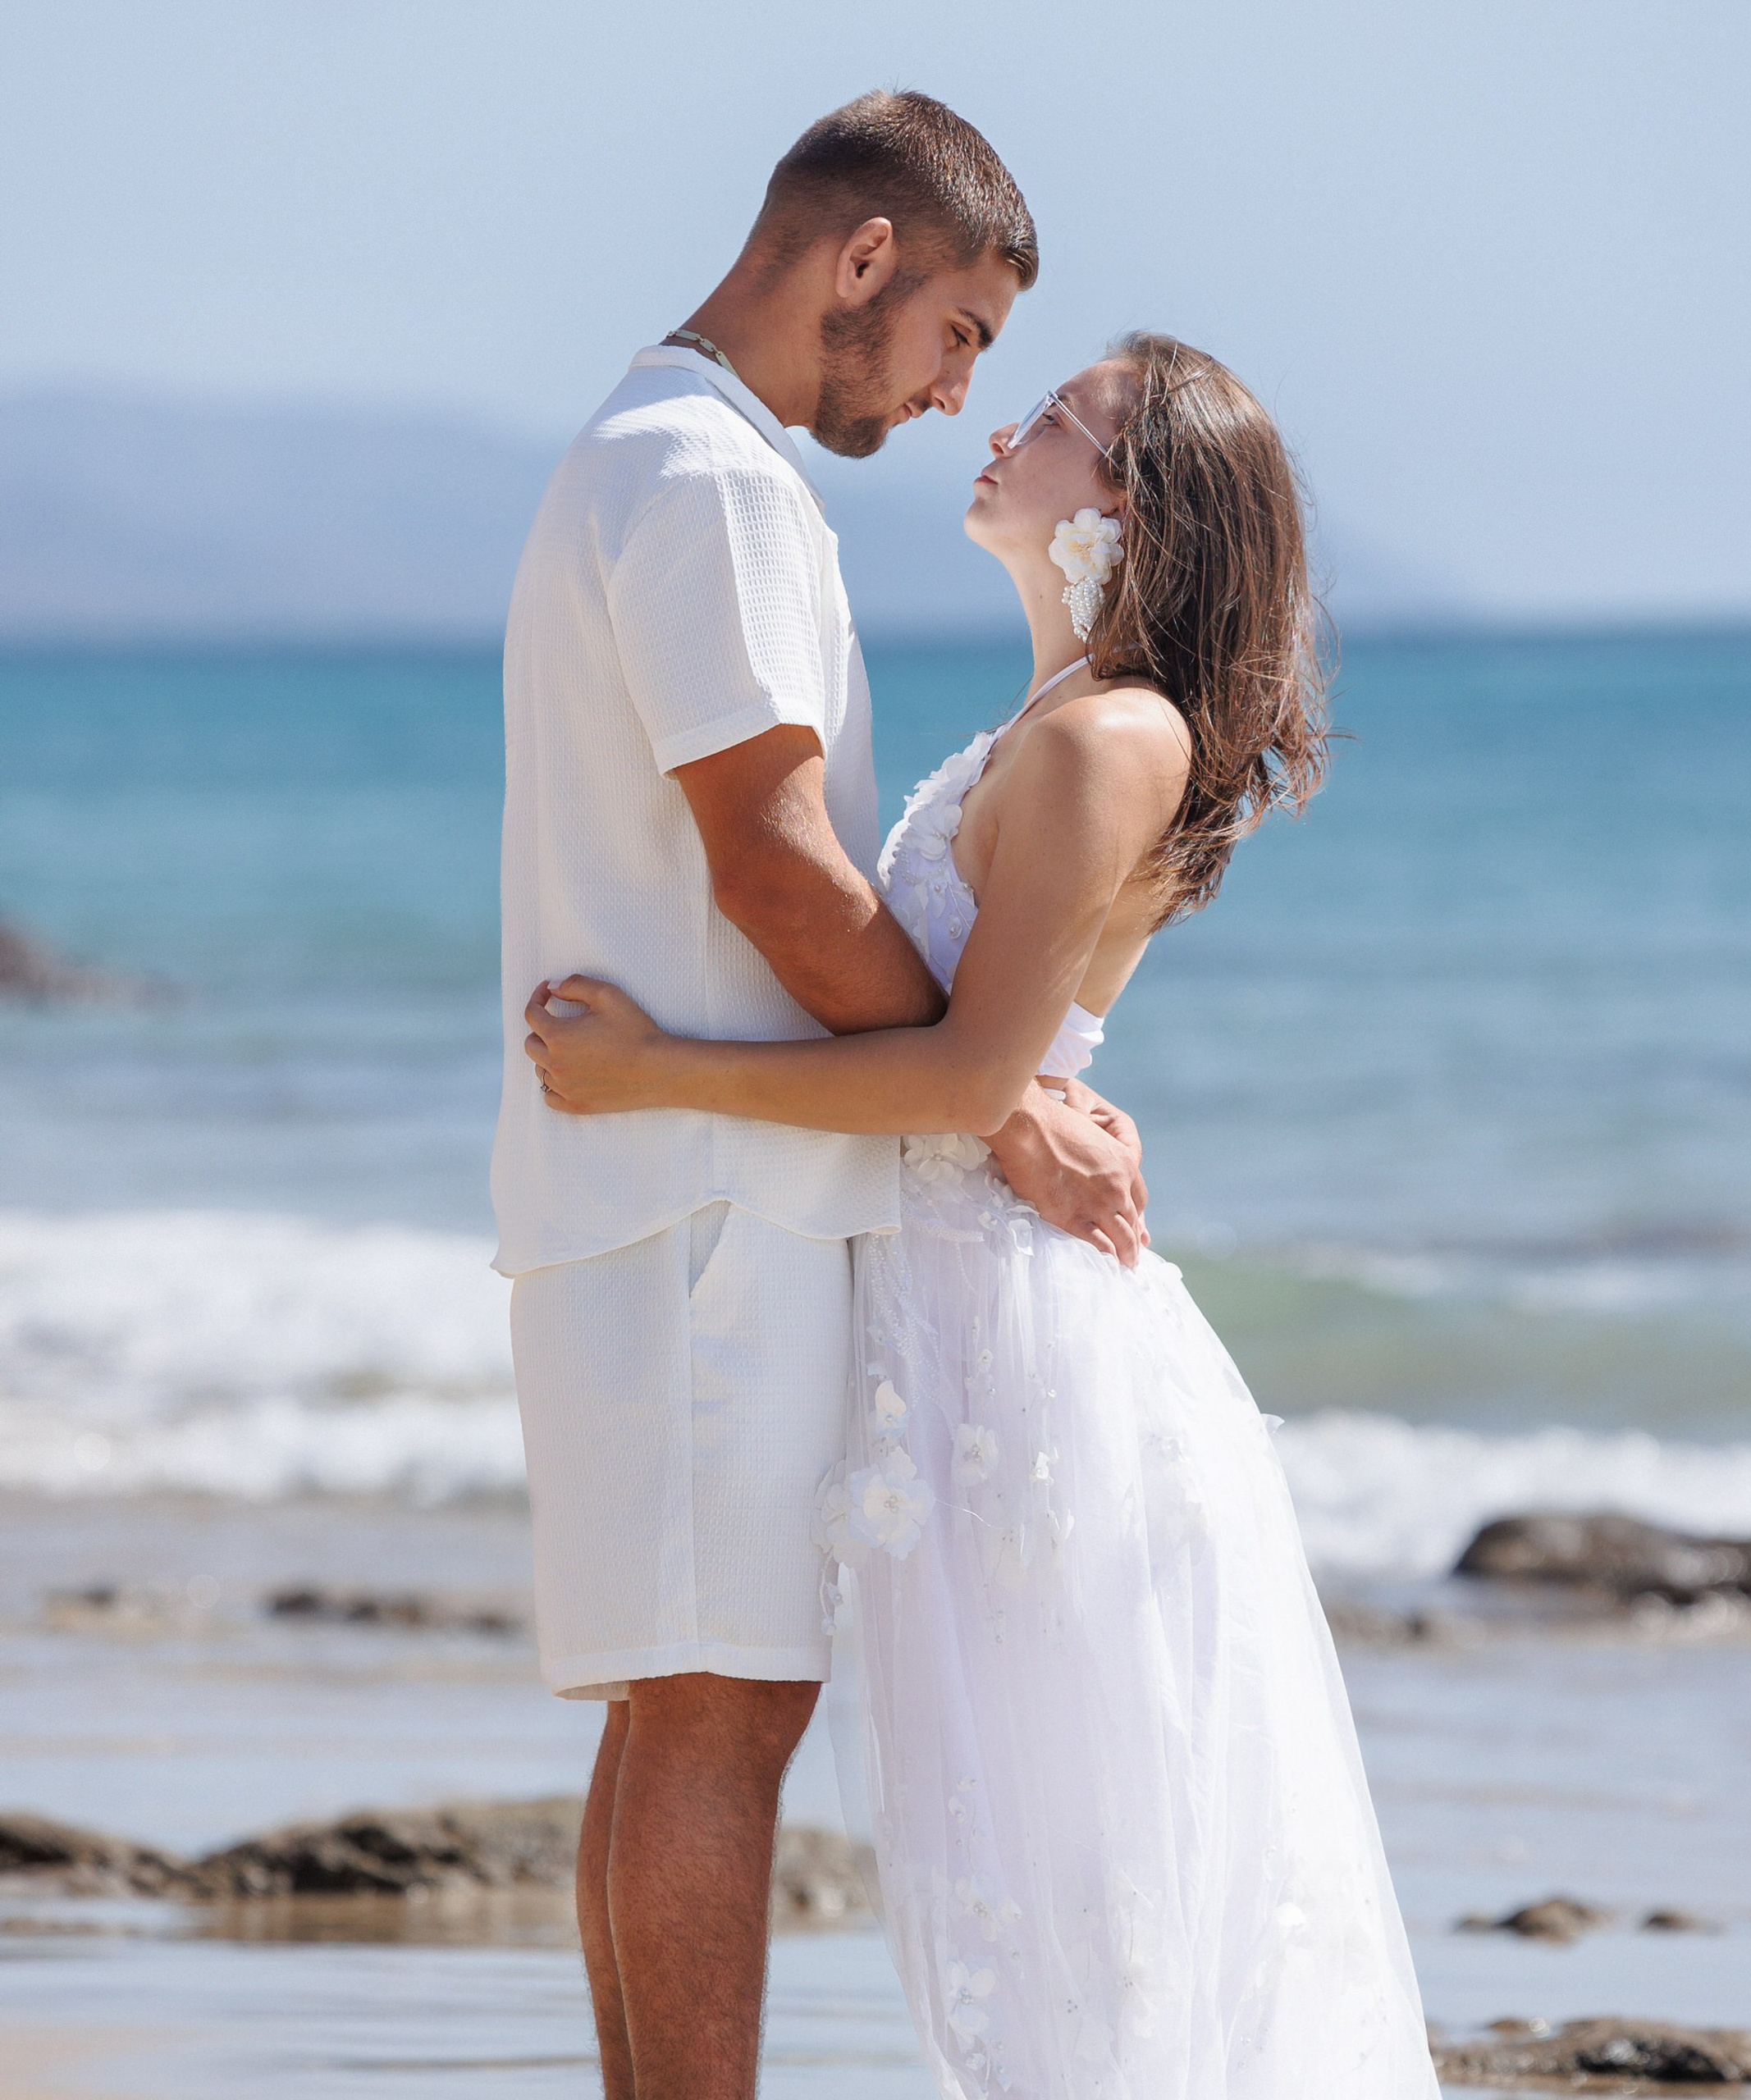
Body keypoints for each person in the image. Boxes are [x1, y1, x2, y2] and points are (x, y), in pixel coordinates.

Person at [527, 334, 1441, 2097]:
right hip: (948, 1326)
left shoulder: (1110, 738)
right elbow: (975, 1062)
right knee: (1009, 1872)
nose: (1002, 424)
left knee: (1060, 1871)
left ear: (1129, 506)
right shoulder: (1049, 717)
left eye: (1063, 421)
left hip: (1023, 1357)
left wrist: (663, 1070)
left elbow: (954, 1081)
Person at [491, 91, 1148, 2100]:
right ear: (862, 260)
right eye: (958, 330)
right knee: (717, 1712)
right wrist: (995, 1097)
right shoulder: (707, 480)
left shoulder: (641, 451)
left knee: (673, 1709)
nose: (962, 390)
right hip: (712, 1200)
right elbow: (774, 864)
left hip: (657, 1178)